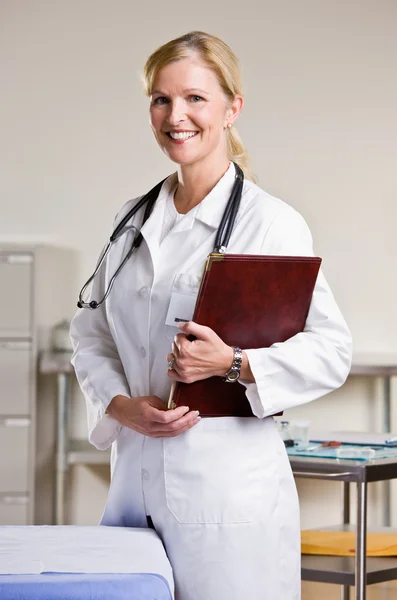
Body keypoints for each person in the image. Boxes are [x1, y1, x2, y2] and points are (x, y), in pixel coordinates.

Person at [70, 31, 352, 600]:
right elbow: (91, 333)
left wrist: (234, 363)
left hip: (225, 498)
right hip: (134, 487)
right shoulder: (132, 219)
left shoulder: (270, 224)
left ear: (232, 107)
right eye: (162, 99)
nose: (177, 116)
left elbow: (330, 350)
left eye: (196, 98)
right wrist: (119, 404)